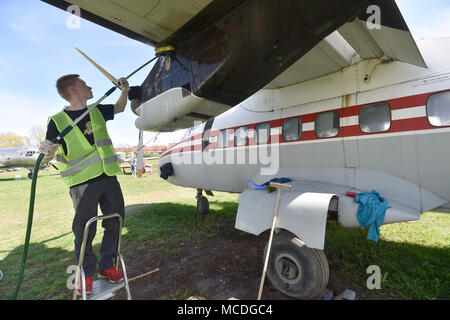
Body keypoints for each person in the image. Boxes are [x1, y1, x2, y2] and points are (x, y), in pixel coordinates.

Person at [39, 74, 130, 295]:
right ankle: (85, 274)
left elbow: (119, 107)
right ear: (73, 90)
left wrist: (124, 90)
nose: (90, 87)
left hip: (108, 177)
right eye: (84, 85)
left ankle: (107, 266)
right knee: (85, 231)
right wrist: (47, 151)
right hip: (81, 183)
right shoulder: (57, 121)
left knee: (115, 223)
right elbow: (49, 151)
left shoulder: (97, 110)